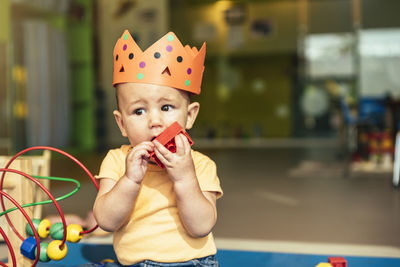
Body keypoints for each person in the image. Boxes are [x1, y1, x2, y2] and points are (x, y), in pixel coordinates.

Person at [82, 30, 223, 267]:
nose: (154, 121)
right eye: (139, 111)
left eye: (167, 107)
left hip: (190, 263)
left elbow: (201, 227)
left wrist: (185, 178)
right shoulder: (117, 161)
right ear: (122, 123)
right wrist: (130, 181)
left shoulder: (200, 165)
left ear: (189, 116)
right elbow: (106, 221)